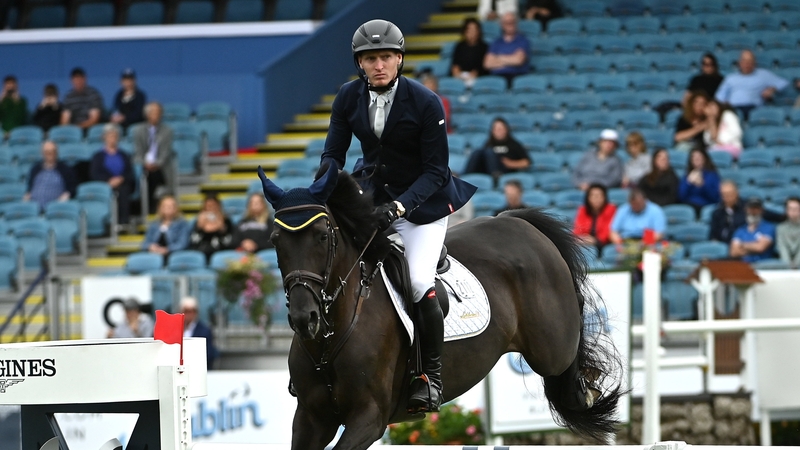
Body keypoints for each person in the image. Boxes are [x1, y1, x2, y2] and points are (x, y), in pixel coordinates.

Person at [317, 19, 476, 413]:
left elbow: (436, 170)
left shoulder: (425, 101)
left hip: (422, 207)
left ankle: (430, 376)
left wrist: (401, 207)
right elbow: (333, 156)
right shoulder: (348, 98)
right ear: (360, 63)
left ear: (400, 59)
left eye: (386, 57)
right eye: (371, 59)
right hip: (373, 197)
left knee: (419, 281)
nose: (379, 65)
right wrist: (319, 192)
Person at [715, 50, 789, 120]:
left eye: (750, 61)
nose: (747, 64)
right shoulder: (731, 78)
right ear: (739, 63)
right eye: (744, 61)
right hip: (734, 109)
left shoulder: (763, 75)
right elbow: (719, 97)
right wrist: (725, 104)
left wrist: (771, 89)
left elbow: (783, 82)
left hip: (754, 109)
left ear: (754, 63)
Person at [133, 101, 175, 213]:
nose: (157, 115)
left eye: (159, 112)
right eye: (154, 112)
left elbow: (165, 152)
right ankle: (145, 208)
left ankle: (156, 207)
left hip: (161, 166)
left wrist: (156, 164)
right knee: (144, 175)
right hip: (144, 166)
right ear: (147, 114)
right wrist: (144, 163)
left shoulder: (167, 131)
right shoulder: (138, 130)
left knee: (154, 175)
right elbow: (138, 151)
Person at [90, 124, 135, 227]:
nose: (112, 139)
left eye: (114, 136)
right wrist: (108, 180)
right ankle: (107, 223)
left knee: (123, 190)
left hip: (123, 183)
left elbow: (130, 172)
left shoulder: (124, 155)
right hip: (105, 185)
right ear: (104, 138)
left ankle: (123, 222)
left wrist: (121, 178)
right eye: (110, 136)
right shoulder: (98, 156)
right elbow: (95, 173)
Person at [464, 117, 530, 180]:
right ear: (492, 131)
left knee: (490, 152)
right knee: (477, 152)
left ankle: (496, 177)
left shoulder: (513, 144)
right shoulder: (489, 143)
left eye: (501, 129)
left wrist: (511, 163)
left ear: (506, 130)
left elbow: (527, 162)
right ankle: (464, 177)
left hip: (505, 172)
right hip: (487, 171)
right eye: (496, 129)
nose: (499, 131)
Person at [23, 140, 77, 211]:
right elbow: (30, 188)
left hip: (55, 209)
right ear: (42, 153)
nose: (49, 154)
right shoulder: (35, 169)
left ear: (56, 153)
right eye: (47, 152)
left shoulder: (65, 169)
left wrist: (66, 195)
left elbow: (72, 187)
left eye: (52, 152)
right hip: (35, 208)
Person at [483, 12, 531, 87]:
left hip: (516, 77)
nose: (510, 25)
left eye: (512, 22)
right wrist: (511, 58)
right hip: (497, 78)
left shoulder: (523, 40)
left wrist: (498, 57)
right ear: (502, 25)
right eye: (507, 23)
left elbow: (518, 61)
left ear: (516, 23)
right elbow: (487, 64)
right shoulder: (496, 42)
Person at [729, 197, 776, 263]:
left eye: (756, 208)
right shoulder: (740, 230)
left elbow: (760, 247)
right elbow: (734, 252)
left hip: (763, 266)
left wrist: (742, 245)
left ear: (761, 210)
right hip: (744, 265)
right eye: (751, 208)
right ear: (746, 210)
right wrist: (755, 245)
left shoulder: (769, 227)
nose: (753, 211)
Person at [189, 195, 234, 261]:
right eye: (208, 206)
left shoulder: (226, 221)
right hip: (201, 251)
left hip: (220, 251)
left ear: (219, 206)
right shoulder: (198, 222)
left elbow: (230, 240)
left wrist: (221, 227)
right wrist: (200, 227)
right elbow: (194, 240)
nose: (211, 209)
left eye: (214, 206)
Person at [573, 183, 617, 249]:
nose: (596, 199)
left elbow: (608, 230)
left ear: (604, 197)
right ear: (588, 198)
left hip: (604, 244)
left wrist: (595, 240)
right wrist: (584, 238)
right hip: (586, 241)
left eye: (599, 196)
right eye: (593, 196)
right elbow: (578, 229)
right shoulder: (582, 210)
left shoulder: (611, 209)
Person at [678, 148, 720, 217]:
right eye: (694, 157)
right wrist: (688, 183)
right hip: (689, 206)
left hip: (705, 205)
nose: (696, 159)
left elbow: (715, 198)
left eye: (699, 156)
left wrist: (702, 185)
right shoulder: (687, 176)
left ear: (704, 158)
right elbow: (681, 196)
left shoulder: (712, 175)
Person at [180, 296, 219, 369]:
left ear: (195, 312)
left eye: (190, 311)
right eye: (185, 311)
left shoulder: (204, 331)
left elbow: (208, 353)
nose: (188, 314)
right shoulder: (177, 329)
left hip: (197, 369)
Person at [450, 18, 489, 88]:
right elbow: (455, 65)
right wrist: (457, 73)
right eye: (469, 30)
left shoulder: (484, 47)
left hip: (478, 78)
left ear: (478, 31)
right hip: (461, 77)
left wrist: (475, 74)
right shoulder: (459, 46)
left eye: (474, 30)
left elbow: (484, 66)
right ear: (465, 32)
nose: (472, 33)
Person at [776, 197, 800, 268]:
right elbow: (782, 247)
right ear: (786, 210)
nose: (793, 211)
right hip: (786, 266)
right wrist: (787, 265)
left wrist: (797, 265)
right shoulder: (780, 228)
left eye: (796, 209)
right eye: (790, 209)